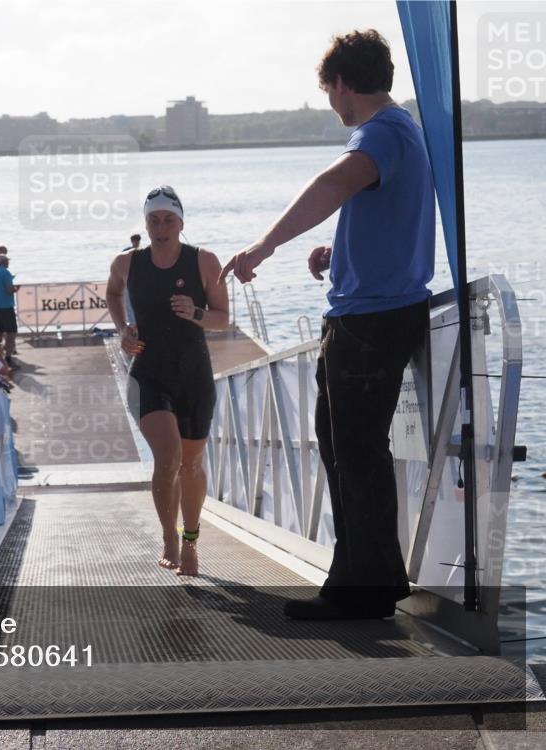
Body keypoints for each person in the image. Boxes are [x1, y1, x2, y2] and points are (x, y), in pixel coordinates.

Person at [218, 30, 435, 620]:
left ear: (343, 83)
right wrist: (336, 256)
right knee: (346, 446)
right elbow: (388, 218)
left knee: (357, 451)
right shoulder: (406, 132)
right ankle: (370, 578)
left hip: (371, 321)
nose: (333, 105)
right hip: (377, 310)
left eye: (330, 92)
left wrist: (263, 246)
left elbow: (332, 185)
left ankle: (358, 592)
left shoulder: (381, 132)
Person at [106, 186, 229, 576]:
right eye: (153, 220)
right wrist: (122, 328)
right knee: (169, 458)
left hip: (194, 375)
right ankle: (169, 536)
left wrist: (195, 312)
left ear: (181, 222)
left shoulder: (204, 261)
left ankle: (191, 540)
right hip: (148, 374)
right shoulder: (127, 263)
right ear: (145, 223)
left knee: (191, 466)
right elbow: (111, 292)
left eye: (168, 220)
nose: (161, 228)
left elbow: (223, 318)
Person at [0, 254, 21, 367]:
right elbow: (8, 290)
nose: (8, 263)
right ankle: (8, 357)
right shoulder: (6, 273)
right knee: (12, 332)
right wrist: (16, 289)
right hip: (6, 306)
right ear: (3, 262)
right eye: (7, 261)